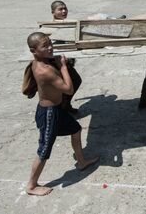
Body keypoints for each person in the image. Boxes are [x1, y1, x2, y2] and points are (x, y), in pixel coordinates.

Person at [23, 32, 98, 196]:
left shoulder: (39, 62)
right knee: (44, 150)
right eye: (45, 46)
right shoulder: (45, 70)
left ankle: (81, 161)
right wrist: (63, 67)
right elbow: (68, 89)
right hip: (49, 114)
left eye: (50, 43)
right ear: (33, 51)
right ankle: (31, 185)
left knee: (76, 129)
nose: (50, 47)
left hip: (55, 110)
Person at [50, 0, 81, 113]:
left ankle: (66, 105)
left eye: (65, 8)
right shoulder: (50, 27)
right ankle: (62, 107)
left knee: (74, 82)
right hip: (57, 63)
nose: (64, 11)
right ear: (53, 12)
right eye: (60, 9)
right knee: (73, 82)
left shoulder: (67, 23)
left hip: (66, 61)